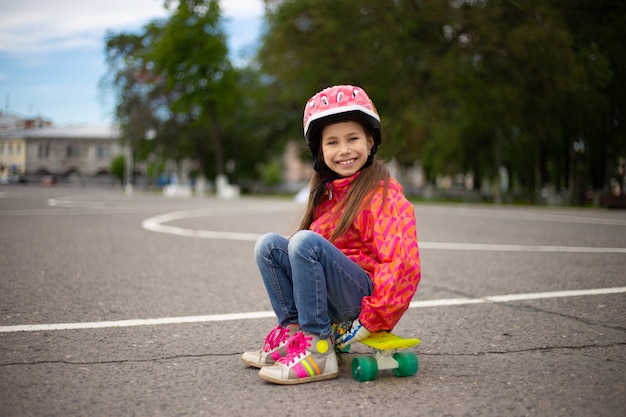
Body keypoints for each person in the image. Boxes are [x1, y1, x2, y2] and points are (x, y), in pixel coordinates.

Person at [242, 85, 421, 384]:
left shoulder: (383, 194)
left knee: (305, 242)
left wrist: (371, 319)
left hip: (363, 301)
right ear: (320, 152)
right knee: (270, 246)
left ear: (370, 140)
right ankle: (296, 333)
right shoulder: (328, 193)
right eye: (333, 143)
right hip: (335, 297)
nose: (344, 150)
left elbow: (402, 264)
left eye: (352, 139)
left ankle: (319, 351)